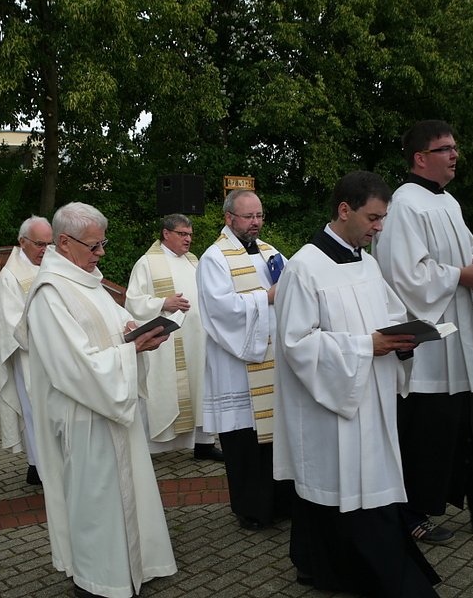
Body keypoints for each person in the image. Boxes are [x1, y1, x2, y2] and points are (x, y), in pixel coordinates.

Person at [274, 170, 440, 595]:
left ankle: (319, 567)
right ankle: (369, 575)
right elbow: (296, 343)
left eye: (382, 218)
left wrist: (404, 342)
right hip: (330, 406)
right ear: (344, 210)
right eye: (373, 217)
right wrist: (367, 346)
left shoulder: (367, 264)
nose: (379, 227)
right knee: (334, 491)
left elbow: (389, 319)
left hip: (372, 397)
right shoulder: (304, 267)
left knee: (358, 489)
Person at [373, 119, 473, 543]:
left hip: (463, 339)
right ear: (420, 157)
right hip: (430, 344)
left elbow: (452, 261)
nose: (454, 155)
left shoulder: (448, 202)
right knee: (427, 433)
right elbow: (401, 274)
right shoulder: (403, 205)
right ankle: (411, 514)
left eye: (454, 148)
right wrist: (458, 275)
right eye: (445, 148)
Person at [15, 202, 177, 598]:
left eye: (103, 243)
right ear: (65, 243)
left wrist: (134, 334)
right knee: (95, 503)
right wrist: (130, 351)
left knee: (125, 494)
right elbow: (72, 366)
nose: (101, 253)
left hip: (110, 409)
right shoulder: (50, 292)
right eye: (95, 245)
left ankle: (133, 563)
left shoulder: (87, 280)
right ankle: (97, 579)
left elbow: (106, 336)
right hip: (83, 417)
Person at [196, 189, 294, 530]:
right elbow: (220, 309)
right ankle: (252, 510)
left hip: (272, 363)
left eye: (259, 216)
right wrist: (265, 297)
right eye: (248, 217)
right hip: (237, 365)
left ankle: (281, 503)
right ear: (228, 218)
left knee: (274, 438)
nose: (255, 223)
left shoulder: (271, 253)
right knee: (245, 443)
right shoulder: (214, 258)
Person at [125, 213, 223, 460]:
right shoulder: (147, 263)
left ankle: (203, 444)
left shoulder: (193, 260)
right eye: (182, 234)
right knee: (164, 389)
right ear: (166, 234)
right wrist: (163, 302)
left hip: (197, 340)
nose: (188, 239)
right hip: (167, 344)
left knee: (201, 389)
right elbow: (133, 302)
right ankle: (151, 448)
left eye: (190, 234)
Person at [0, 215, 52, 485]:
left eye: (49, 244)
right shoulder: (10, 277)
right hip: (29, 357)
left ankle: (49, 463)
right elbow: (12, 324)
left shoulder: (50, 266)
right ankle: (39, 466)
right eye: (40, 244)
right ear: (22, 242)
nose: (45, 250)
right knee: (34, 411)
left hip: (54, 355)